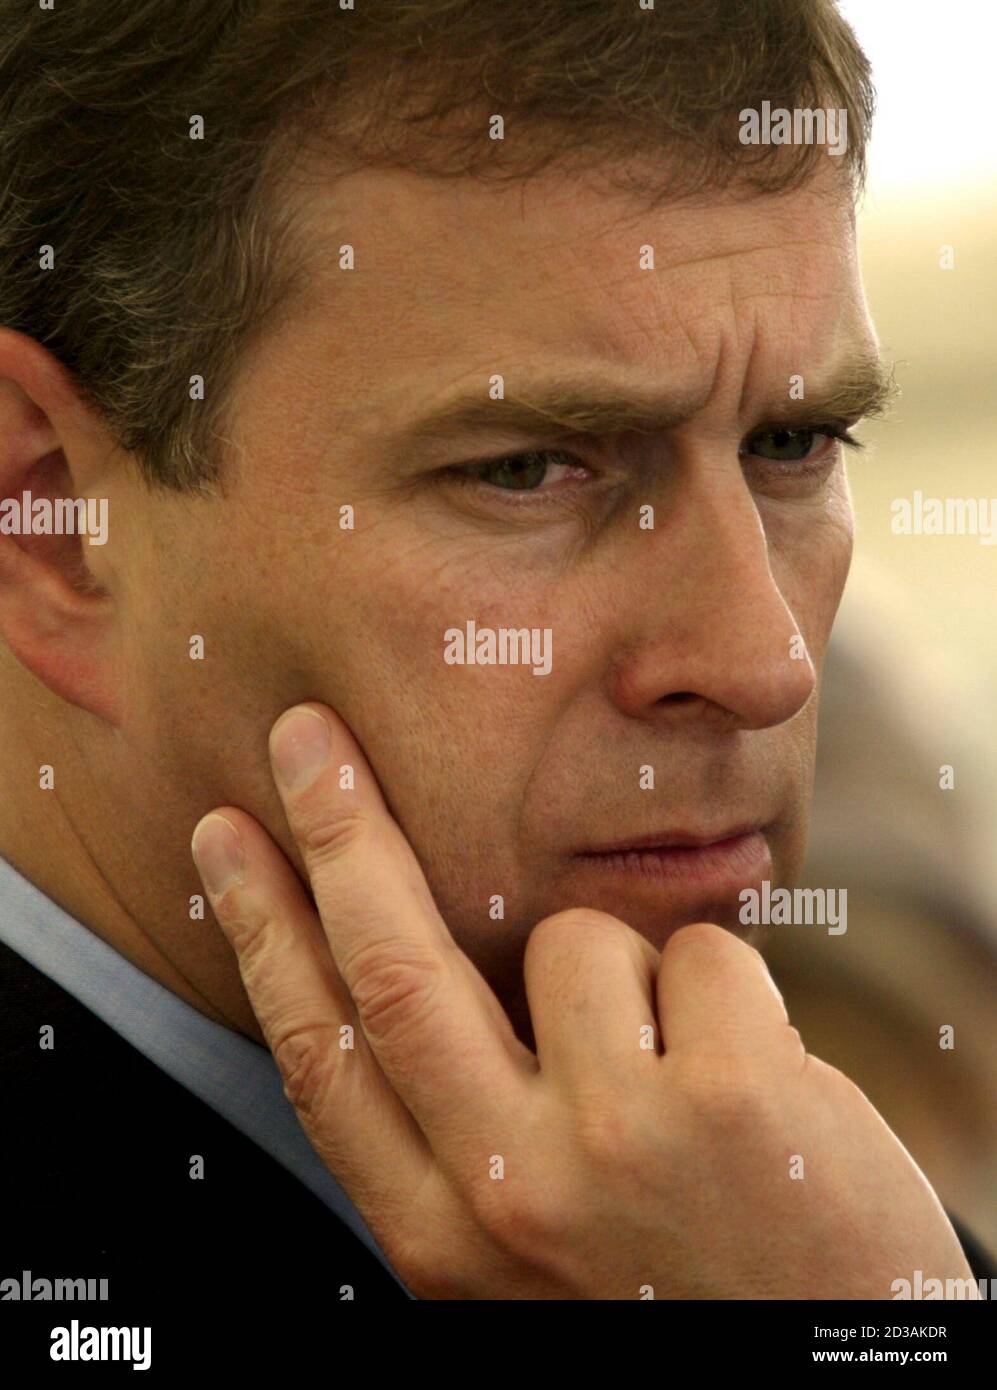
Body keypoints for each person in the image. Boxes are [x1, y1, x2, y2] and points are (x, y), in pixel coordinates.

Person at [0, 0, 989, 1316]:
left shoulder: (795, 1201)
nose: (764, 665)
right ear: (55, 514)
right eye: (528, 469)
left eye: (791, 444)